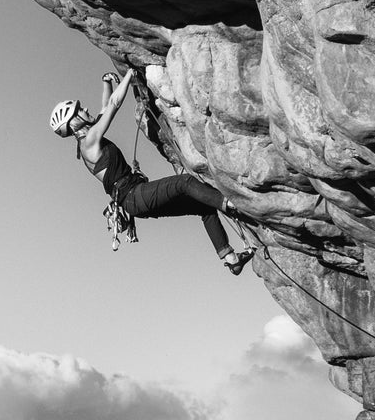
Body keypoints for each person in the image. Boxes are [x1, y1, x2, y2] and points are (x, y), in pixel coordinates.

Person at [50, 69, 255, 275]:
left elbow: (105, 107)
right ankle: (232, 204)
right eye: (79, 109)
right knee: (183, 183)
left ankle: (231, 258)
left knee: (203, 206)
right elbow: (113, 105)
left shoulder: (89, 140)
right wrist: (130, 75)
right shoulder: (88, 143)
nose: (85, 108)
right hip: (134, 197)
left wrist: (107, 83)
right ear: (75, 121)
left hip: (135, 201)